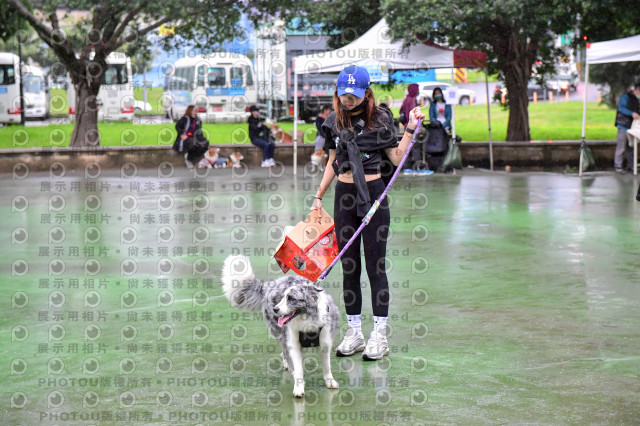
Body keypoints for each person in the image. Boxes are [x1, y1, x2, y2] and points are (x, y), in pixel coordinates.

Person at [310, 65, 425, 361]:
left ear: (366, 93)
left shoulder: (381, 120)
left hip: (373, 196)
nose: (349, 99)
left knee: (375, 267)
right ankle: (355, 332)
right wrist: (318, 196)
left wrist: (411, 128)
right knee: (350, 267)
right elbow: (333, 162)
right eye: (344, 94)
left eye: (354, 94)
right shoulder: (333, 122)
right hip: (344, 198)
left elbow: (397, 156)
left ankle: (379, 334)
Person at [614, 82, 640, 174]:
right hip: (623, 125)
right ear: (636, 90)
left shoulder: (636, 100)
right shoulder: (625, 97)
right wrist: (632, 113)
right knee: (621, 147)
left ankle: (631, 166)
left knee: (631, 147)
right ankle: (618, 166)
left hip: (632, 127)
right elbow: (621, 108)